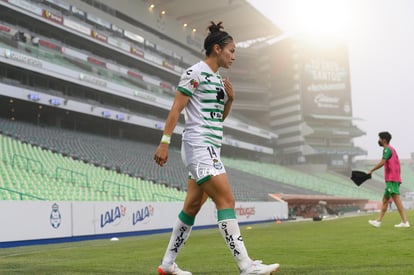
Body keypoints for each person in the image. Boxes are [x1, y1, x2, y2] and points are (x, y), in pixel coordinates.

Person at [154, 21, 279, 275]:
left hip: (210, 147)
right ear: (217, 49)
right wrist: (164, 143)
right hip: (198, 146)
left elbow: (217, 118)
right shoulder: (194, 73)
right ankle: (246, 266)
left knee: (192, 207)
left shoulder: (218, 80)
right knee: (226, 200)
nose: (234, 56)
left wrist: (230, 99)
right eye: (231, 51)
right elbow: (176, 109)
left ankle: (167, 265)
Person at [368, 131, 410, 228]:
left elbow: (383, 162)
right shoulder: (392, 149)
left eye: (379, 139)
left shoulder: (387, 149)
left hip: (392, 179)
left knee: (396, 200)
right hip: (393, 179)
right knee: (385, 200)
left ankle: (405, 222)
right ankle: (378, 221)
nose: (378, 141)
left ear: (384, 140)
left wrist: (372, 170)